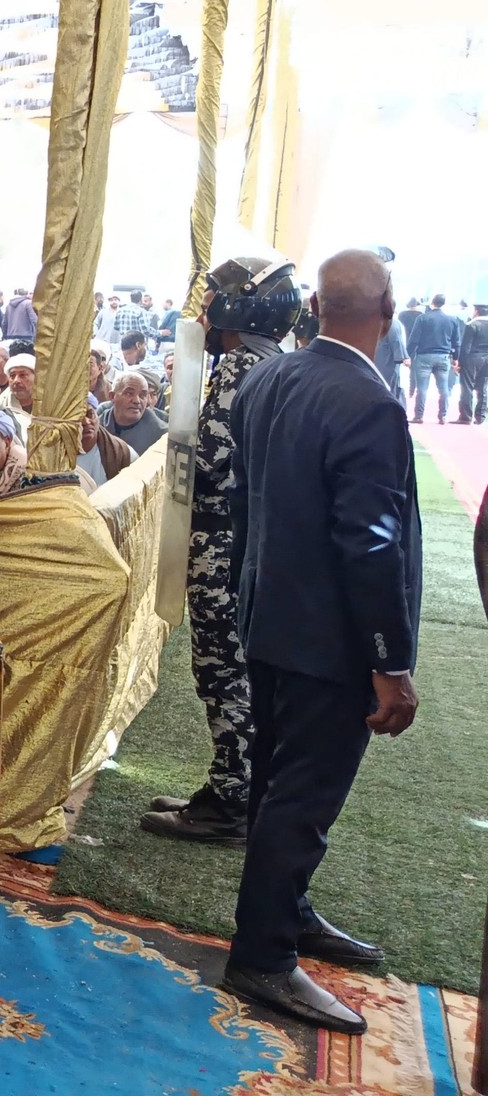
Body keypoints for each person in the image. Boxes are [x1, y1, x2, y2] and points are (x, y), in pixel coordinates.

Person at [219, 249, 422, 1034]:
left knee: (277, 784)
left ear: (314, 304)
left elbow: (246, 505)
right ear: (388, 311)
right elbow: (371, 546)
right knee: (300, 800)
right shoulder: (368, 403)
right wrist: (389, 663)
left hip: (269, 621)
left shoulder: (269, 377)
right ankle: (263, 955)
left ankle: (288, 912)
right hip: (331, 642)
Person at [142, 255, 298, 846]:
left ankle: (231, 803)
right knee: (241, 673)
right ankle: (235, 789)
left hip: (218, 544)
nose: (203, 316)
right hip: (251, 544)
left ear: (238, 309)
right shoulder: (276, 362)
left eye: (210, 304)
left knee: (222, 674)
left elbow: (208, 459)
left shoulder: (237, 366)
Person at [406, 292, 464, 423]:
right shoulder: (452, 320)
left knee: (422, 388)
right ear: (444, 303)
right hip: (443, 357)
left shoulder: (422, 318)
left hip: (424, 356)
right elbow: (457, 342)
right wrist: (456, 358)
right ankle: (442, 415)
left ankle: (419, 416)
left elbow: (414, 339)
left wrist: (407, 355)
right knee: (443, 388)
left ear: (432, 302)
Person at [99, 368, 167, 457]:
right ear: (112, 396)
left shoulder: (161, 436)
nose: (137, 401)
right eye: (129, 394)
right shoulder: (97, 426)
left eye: (142, 395)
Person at [77, 395, 132, 489]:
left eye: (90, 414)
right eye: (78, 417)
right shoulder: (54, 455)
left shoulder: (121, 452)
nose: (86, 422)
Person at [460, 303, 488, 426]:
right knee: (483, 387)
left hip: (472, 358)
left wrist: (460, 363)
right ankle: (480, 416)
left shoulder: (472, 325)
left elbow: (466, 347)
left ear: (476, 311)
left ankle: (466, 416)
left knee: (467, 387)